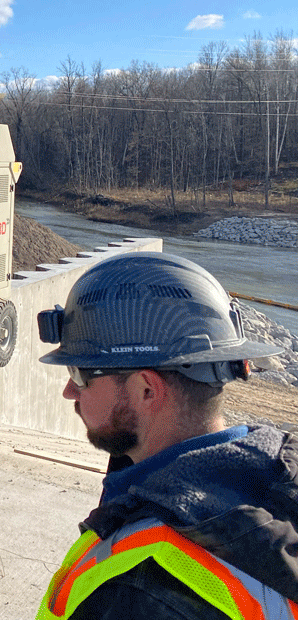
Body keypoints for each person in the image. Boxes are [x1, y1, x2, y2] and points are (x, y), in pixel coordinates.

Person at [33, 251, 298, 619]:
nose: (69, 391)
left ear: (146, 390)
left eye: (80, 374)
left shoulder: (140, 587)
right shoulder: (276, 475)